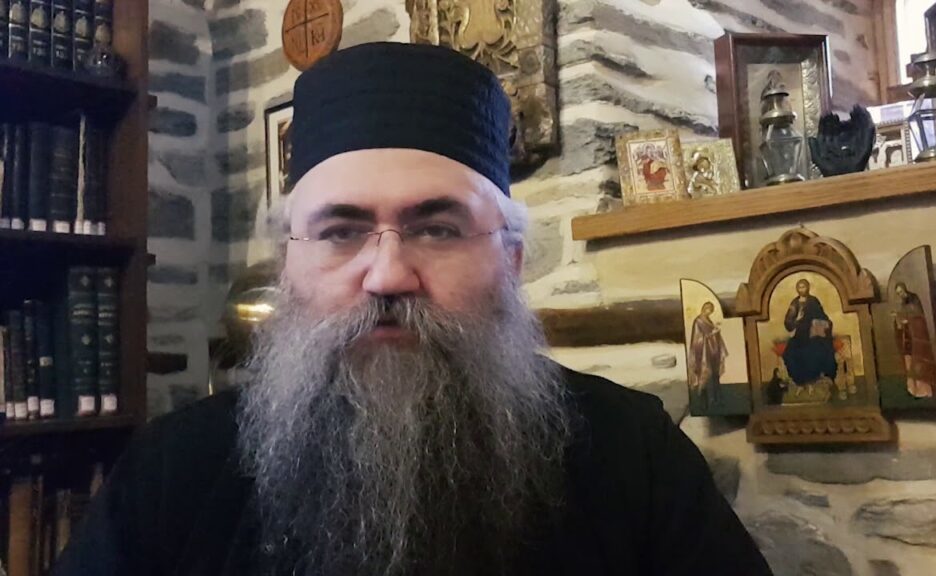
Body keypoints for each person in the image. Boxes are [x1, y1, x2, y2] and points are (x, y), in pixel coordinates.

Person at [53, 43, 772, 576]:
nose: (388, 275)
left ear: (511, 261)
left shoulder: (632, 455)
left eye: (438, 229)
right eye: (341, 231)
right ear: (288, 265)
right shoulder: (173, 473)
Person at [782, 278, 837, 389]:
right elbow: (788, 322)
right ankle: (800, 382)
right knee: (789, 353)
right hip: (799, 336)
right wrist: (797, 319)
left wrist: (825, 323)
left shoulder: (813, 301)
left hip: (814, 335)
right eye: (800, 287)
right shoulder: (794, 303)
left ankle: (814, 380)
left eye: (804, 287)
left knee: (815, 352)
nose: (802, 289)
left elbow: (822, 316)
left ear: (808, 288)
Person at [892, 282, 936, 398]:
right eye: (898, 293)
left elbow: (917, 313)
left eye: (901, 292)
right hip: (909, 336)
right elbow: (904, 314)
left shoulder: (914, 299)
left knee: (919, 364)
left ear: (905, 289)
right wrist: (899, 318)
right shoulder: (904, 302)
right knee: (909, 361)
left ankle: (924, 389)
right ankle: (913, 388)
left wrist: (907, 318)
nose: (901, 295)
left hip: (917, 335)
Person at [688, 301, 727, 410]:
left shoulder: (708, 320)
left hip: (712, 353)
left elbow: (711, 333)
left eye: (711, 310)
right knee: (705, 376)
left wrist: (715, 332)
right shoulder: (698, 321)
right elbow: (697, 340)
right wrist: (712, 333)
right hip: (703, 355)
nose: (710, 312)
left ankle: (715, 400)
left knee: (715, 376)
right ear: (704, 308)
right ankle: (703, 403)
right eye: (709, 309)